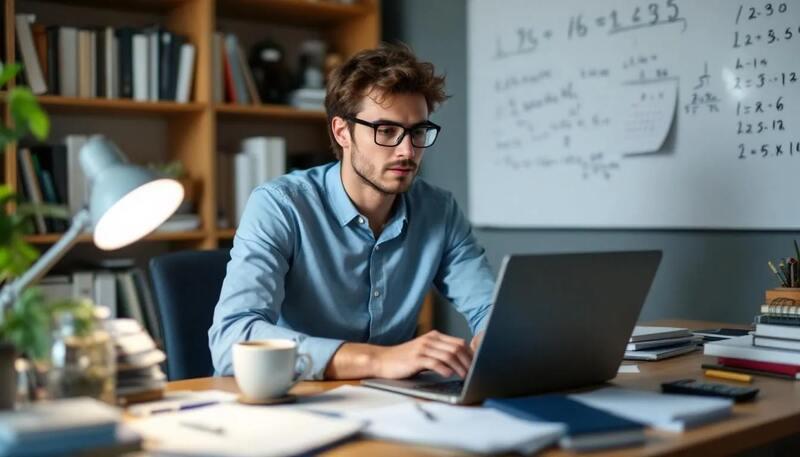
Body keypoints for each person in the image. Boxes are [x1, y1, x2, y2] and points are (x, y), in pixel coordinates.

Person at [209, 43, 494, 380]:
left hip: (394, 407)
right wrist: (378, 361)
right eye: (386, 131)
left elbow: (490, 308)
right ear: (342, 132)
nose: (407, 150)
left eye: (418, 132)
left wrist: (493, 342)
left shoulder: (439, 211)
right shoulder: (280, 205)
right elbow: (231, 340)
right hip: (297, 403)